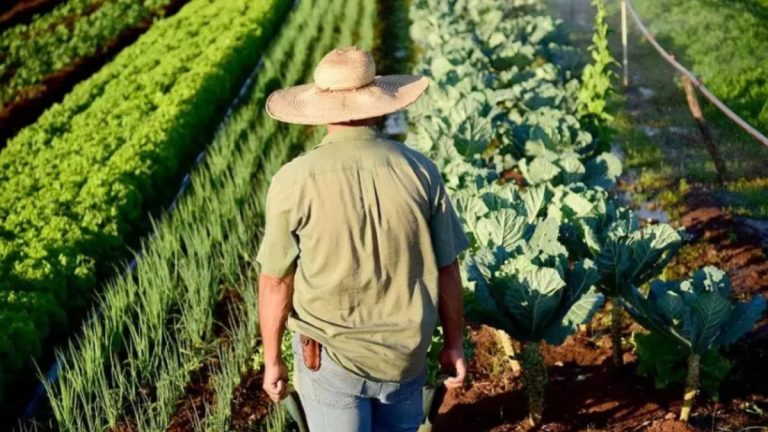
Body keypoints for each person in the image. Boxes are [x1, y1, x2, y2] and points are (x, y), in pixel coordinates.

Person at [256, 46, 470, 432]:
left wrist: (273, 359)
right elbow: (447, 267)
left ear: (321, 111)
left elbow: (275, 281)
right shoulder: (420, 170)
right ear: (378, 103)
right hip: (405, 354)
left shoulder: (293, 179)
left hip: (331, 356)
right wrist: (454, 343)